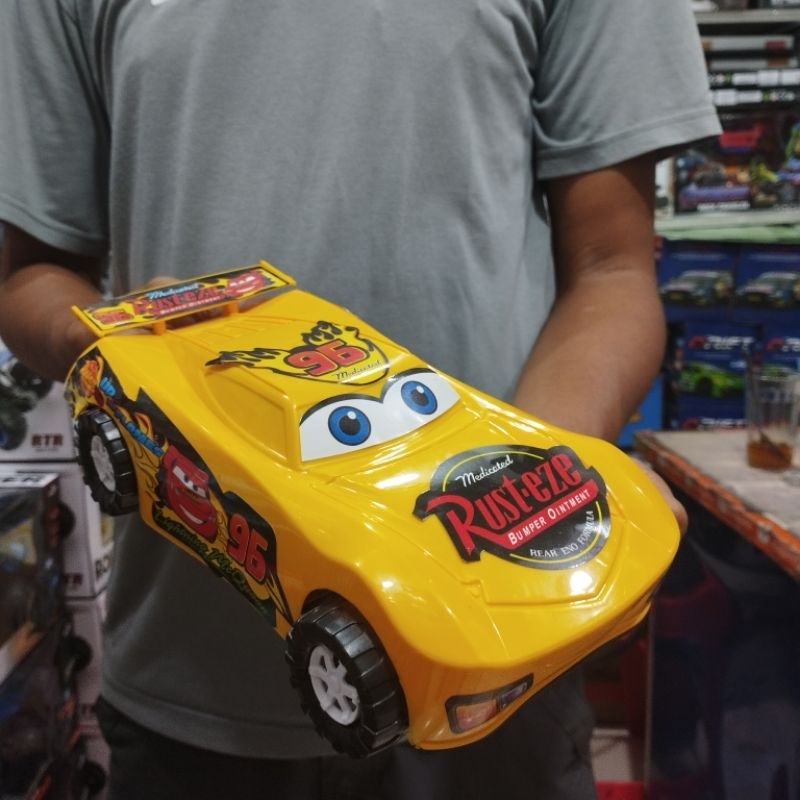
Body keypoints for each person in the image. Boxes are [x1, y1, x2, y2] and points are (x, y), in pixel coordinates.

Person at [0, 1, 710, 797]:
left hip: (501, 670)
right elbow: (30, 270)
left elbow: (612, 267)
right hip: (189, 669)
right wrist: (119, 338)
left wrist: (543, 481)